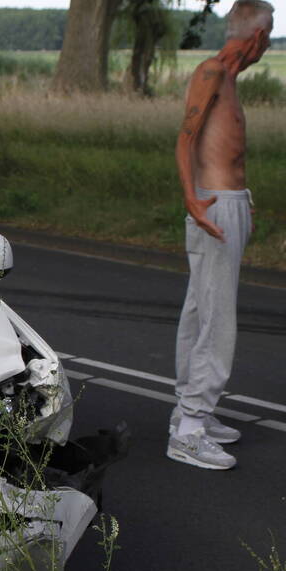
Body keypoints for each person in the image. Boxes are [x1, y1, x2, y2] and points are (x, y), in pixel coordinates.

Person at [168, 0, 274, 470]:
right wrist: (192, 199)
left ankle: (188, 415)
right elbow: (185, 138)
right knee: (217, 322)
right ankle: (190, 431)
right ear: (258, 36)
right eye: (269, 36)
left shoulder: (229, 79)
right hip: (212, 207)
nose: (267, 45)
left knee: (200, 312)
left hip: (228, 205)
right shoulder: (212, 72)